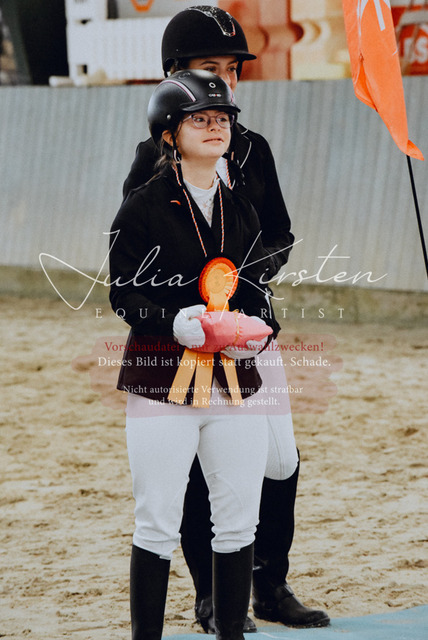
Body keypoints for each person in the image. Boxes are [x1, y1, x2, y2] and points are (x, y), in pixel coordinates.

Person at [122, 6, 330, 631]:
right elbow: (140, 256)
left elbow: (279, 232)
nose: (225, 80)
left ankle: (270, 583)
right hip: (184, 342)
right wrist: (191, 309)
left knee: (279, 459)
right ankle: (210, 593)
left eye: (232, 70)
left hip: (247, 329)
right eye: (209, 67)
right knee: (191, 465)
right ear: (174, 77)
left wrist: (240, 284)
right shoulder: (152, 158)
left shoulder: (252, 148)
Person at [109, 69, 292, 640]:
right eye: (200, 120)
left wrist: (260, 326)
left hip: (234, 382)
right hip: (161, 380)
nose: (216, 127)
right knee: (157, 521)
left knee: (238, 522)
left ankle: (231, 632)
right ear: (170, 134)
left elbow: (254, 287)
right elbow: (122, 293)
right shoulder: (142, 207)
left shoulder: (242, 210)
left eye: (222, 120)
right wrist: (171, 323)